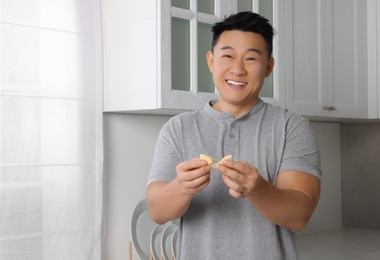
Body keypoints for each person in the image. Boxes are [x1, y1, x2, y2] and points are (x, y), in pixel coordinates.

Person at [146, 11, 321, 259]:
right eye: (227, 55)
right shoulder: (178, 128)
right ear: (211, 61)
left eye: (251, 58)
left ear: (269, 67)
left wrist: (258, 189)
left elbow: (300, 216)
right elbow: (157, 211)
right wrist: (181, 187)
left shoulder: (291, 127)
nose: (237, 69)